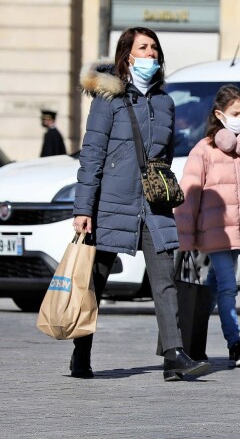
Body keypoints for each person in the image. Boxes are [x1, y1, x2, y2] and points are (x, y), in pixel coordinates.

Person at [72, 26, 209, 381]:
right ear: (127, 55)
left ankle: (174, 355)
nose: (151, 55)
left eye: (154, 49)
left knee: (164, 281)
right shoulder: (109, 100)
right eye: (143, 48)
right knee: (95, 283)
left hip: (153, 204)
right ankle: (81, 351)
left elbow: (165, 155)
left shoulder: (165, 102)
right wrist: (83, 209)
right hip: (112, 204)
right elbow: (92, 156)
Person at [175, 84, 240, 368]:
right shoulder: (204, 151)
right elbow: (188, 196)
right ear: (220, 114)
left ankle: (192, 342)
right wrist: (185, 238)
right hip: (214, 233)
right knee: (228, 286)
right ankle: (235, 344)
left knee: (215, 287)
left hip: (238, 234)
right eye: (235, 112)